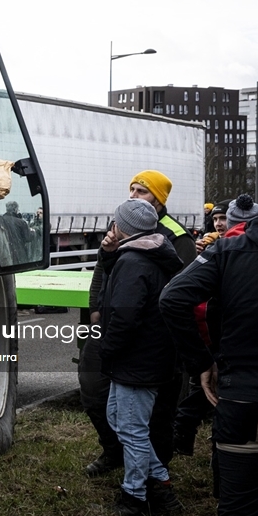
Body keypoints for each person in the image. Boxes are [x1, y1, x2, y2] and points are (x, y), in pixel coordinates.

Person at [160, 214, 258, 516]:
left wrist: (202, 362)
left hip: (243, 399)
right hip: (243, 396)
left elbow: (173, 298)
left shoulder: (228, 250)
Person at [79, 169, 195, 476]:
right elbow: (102, 273)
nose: (133, 194)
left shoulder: (176, 236)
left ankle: (153, 472)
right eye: (131, 188)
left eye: (141, 191)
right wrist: (95, 308)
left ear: (158, 200)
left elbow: (181, 289)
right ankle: (114, 450)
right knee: (93, 390)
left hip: (150, 340)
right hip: (112, 327)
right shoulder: (122, 226)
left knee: (157, 411)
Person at [98, 199, 183, 516]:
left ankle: (135, 496)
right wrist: (108, 254)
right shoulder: (147, 254)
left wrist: (107, 348)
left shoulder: (134, 262)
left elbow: (125, 315)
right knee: (119, 420)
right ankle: (159, 482)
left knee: (132, 429)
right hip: (144, 359)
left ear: (123, 228)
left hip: (137, 362)